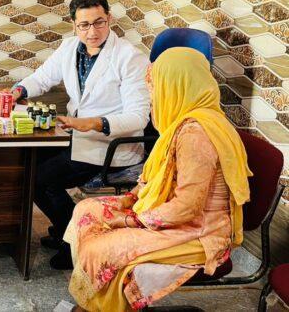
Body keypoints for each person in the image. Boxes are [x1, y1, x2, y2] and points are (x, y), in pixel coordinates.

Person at [64, 47, 251, 311]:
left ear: (178, 86)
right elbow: (156, 177)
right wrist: (131, 199)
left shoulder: (196, 135)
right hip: (176, 216)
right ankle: (95, 301)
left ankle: (99, 307)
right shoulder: (184, 121)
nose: (152, 95)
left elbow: (186, 208)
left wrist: (130, 220)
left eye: (156, 87)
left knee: (103, 248)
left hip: (197, 231)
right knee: (87, 209)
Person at [10, 0, 150, 269]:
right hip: (77, 136)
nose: (92, 32)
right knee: (26, 163)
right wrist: (18, 90)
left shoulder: (130, 57)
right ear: (73, 25)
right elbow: (43, 77)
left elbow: (138, 117)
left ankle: (76, 242)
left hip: (110, 145)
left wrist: (93, 123)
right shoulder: (70, 47)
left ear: (109, 19)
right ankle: (66, 229)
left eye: (99, 22)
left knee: (41, 179)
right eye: (84, 25)